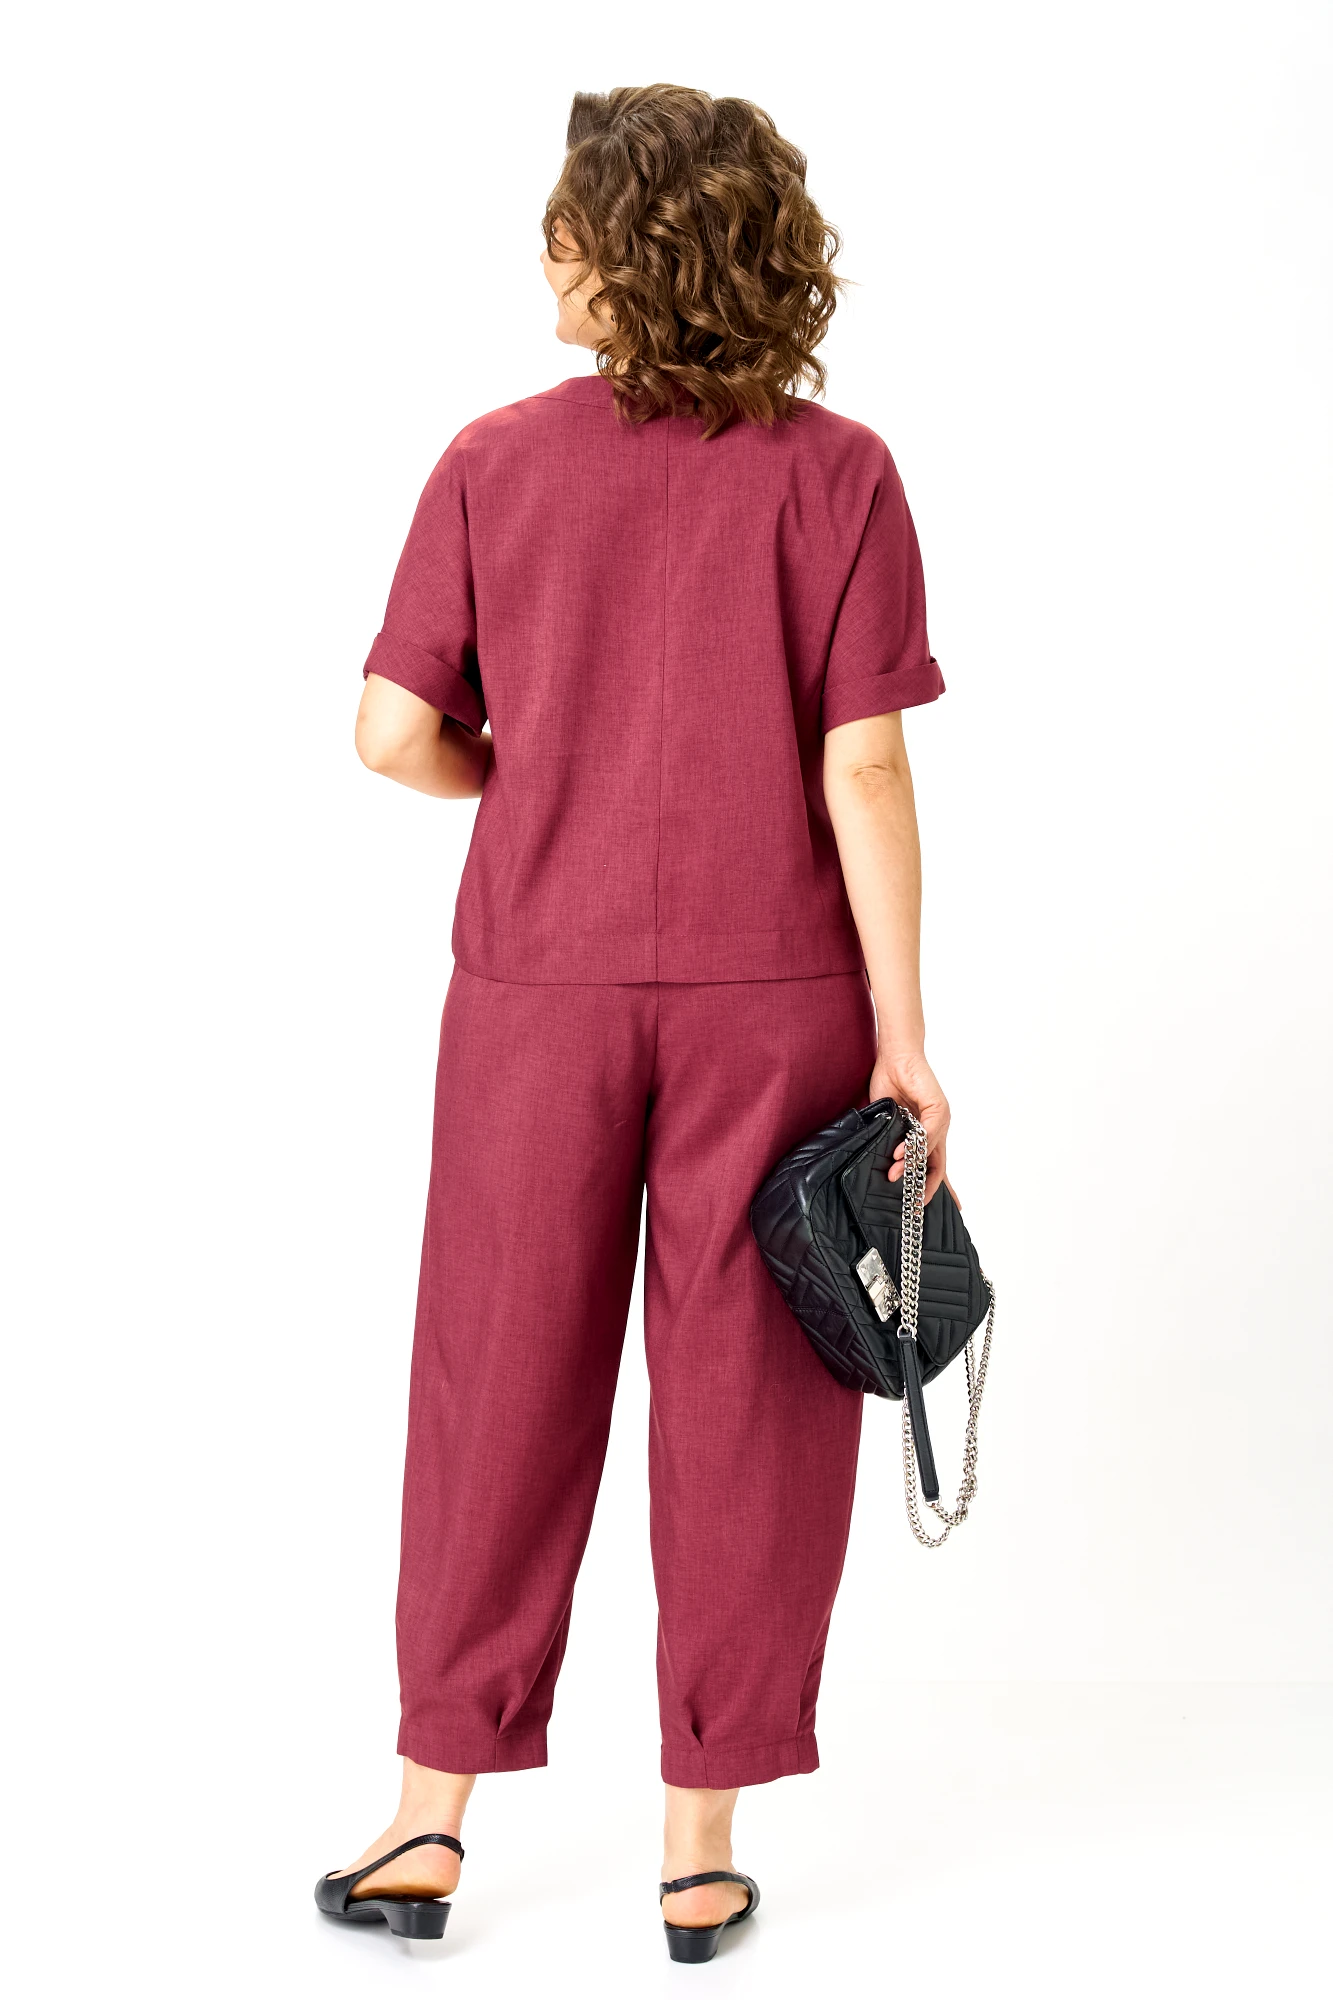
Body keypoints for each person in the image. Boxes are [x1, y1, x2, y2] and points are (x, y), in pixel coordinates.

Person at [315, 82, 953, 1962]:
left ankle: (426, 1821)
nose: (544, 251)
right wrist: (907, 1038)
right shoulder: (841, 475)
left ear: (625, 251)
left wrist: (531, 782)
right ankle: (698, 1849)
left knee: (496, 1374)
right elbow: (866, 768)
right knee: (750, 1402)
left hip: (540, 990)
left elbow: (390, 732)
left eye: (565, 223)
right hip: (781, 998)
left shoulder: (491, 463)